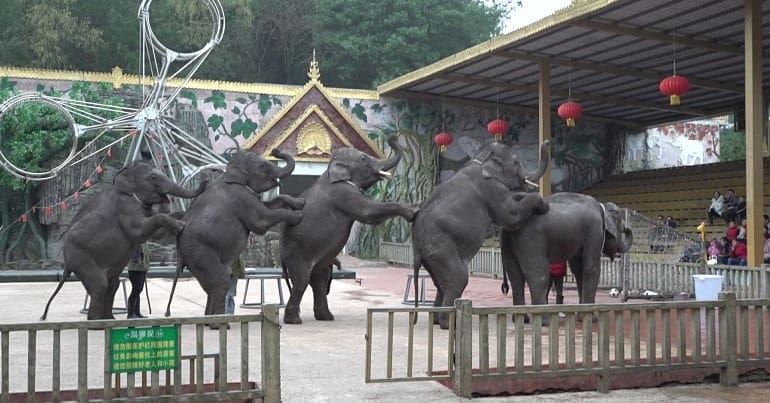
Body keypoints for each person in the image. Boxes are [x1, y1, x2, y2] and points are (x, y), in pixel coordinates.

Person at [127, 245, 149, 319]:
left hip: (142, 269)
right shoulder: (137, 241)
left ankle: (137, 312)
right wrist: (138, 261)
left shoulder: (145, 243)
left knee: (138, 290)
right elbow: (134, 256)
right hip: (134, 270)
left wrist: (146, 267)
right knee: (136, 290)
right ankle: (130, 313)